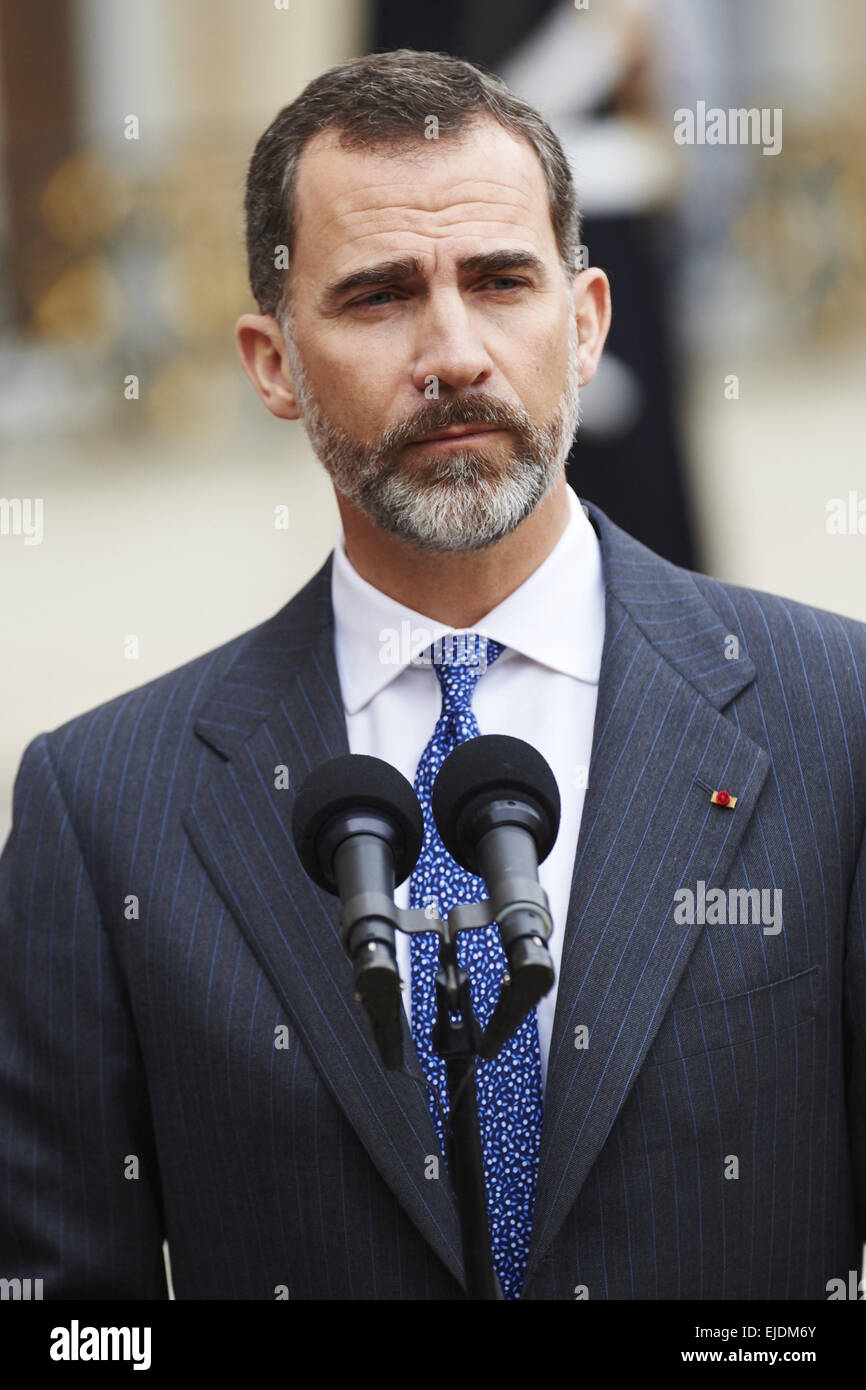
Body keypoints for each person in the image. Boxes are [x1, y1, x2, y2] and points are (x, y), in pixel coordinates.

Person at [1, 49, 864, 1302]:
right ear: (272, 363)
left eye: (500, 280)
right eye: (378, 296)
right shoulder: (100, 810)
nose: (453, 351)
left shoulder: (834, 716)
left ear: (585, 325)